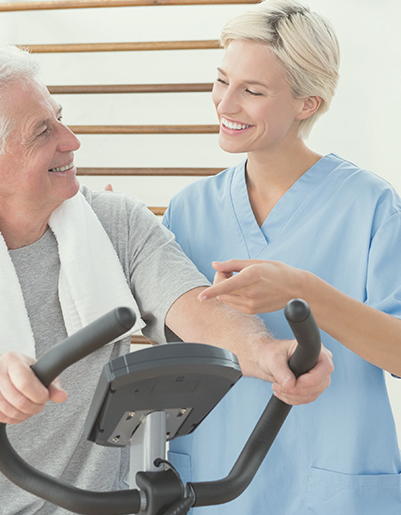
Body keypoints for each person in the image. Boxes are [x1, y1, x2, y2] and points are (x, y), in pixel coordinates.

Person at [0, 44, 332, 515]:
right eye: (42, 132)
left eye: (60, 117)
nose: (70, 140)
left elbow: (194, 306)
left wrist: (267, 354)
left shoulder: (116, 223)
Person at [162, 1, 401, 513]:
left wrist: (302, 290)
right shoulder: (187, 210)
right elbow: (165, 340)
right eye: (222, 81)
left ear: (306, 104)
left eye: (252, 91)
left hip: (333, 481)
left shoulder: (370, 205)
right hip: (212, 475)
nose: (226, 103)